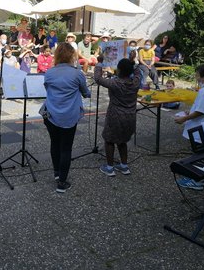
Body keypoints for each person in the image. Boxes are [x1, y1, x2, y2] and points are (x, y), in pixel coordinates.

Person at [43, 43, 91, 193]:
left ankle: (57, 173)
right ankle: (62, 182)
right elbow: (86, 93)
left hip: (50, 114)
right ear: (72, 56)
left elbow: (48, 89)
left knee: (54, 144)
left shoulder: (49, 73)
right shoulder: (77, 74)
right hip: (69, 115)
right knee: (66, 148)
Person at [174, 63, 204, 190]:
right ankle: (199, 178)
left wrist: (184, 118)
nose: (196, 77)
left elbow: (200, 111)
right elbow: (203, 108)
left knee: (195, 155)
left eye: (197, 75)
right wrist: (191, 111)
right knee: (200, 154)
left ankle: (194, 180)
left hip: (198, 128)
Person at [94, 57, 141, 177]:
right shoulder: (135, 82)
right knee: (123, 140)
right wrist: (133, 63)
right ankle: (124, 166)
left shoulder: (115, 83)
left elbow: (98, 79)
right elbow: (137, 72)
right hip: (130, 116)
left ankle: (109, 168)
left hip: (115, 115)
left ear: (119, 70)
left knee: (109, 140)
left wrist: (99, 62)